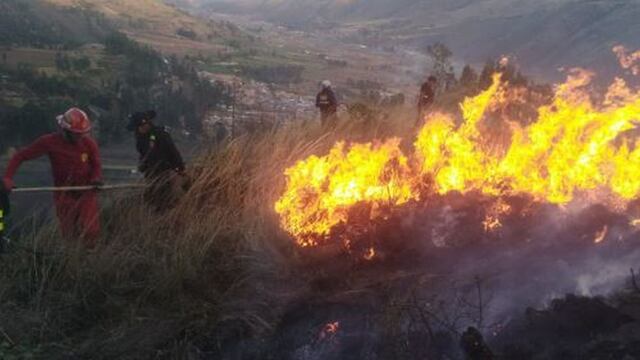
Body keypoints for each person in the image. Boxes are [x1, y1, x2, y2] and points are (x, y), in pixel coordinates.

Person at [1, 108, 102, 247]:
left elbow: (96, 165)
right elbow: (20, 156)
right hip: (64, 194)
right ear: (65, 130)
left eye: (82, 133)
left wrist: (96, 178)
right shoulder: (49, 142)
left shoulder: (89, 144)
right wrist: (8, 178)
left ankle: (90, 259)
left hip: (86, 192)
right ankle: (72, 261)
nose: (80, 137)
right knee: (69, 233)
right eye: (76, 134)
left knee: (91, 231)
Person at [126, 110, 187, 211]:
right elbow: (143, 154)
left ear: (146, 124)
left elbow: (173, 151)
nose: (139, 130)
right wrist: (142, 165)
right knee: (152, 197)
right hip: (151, 173)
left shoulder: (160, 134)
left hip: (165, 172)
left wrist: (180, 167)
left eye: (140, 127)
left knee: (165, 197)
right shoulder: (140, 137)